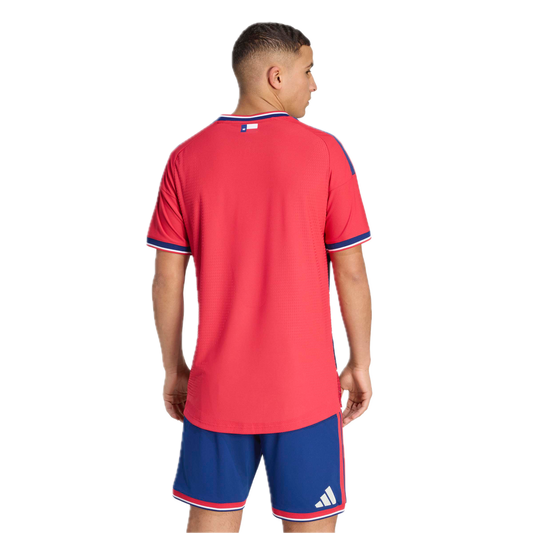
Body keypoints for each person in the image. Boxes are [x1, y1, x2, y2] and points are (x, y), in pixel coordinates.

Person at [143, 18, 376, 533]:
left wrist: (173, 367)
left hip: (216, 391)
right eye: (308, 70)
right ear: (276, 76)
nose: (315, 84)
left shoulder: (184, 157)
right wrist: (360, 363)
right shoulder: (325, 151)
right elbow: (352, 273)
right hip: (304, 392)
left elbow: (166, 279)